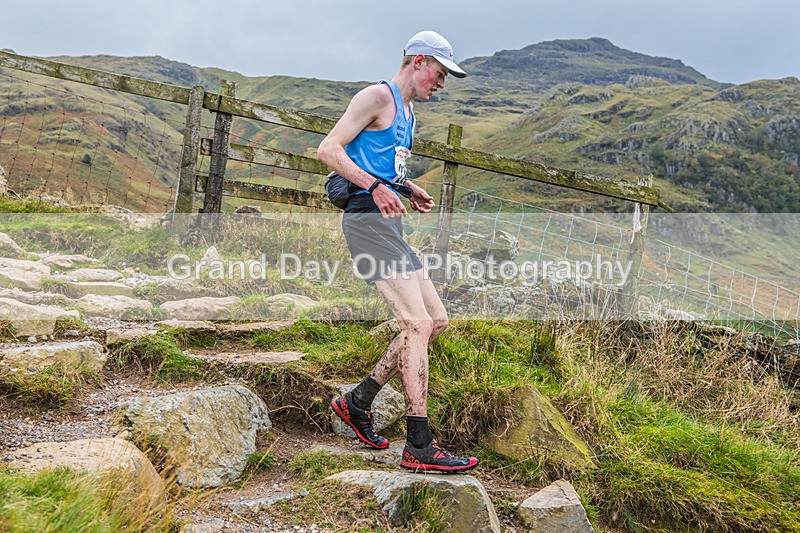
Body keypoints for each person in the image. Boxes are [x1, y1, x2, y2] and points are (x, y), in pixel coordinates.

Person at [317, 30, 478, 473]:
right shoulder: (377, 97)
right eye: (441, 73)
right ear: (419, 61)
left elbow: (381, 165)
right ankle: (419, 444)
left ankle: (359, 400)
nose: (442, 83)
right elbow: (328, 149)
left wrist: (407, 186)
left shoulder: (408, 113)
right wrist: (374, 187)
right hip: (367, 221)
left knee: (436, 322)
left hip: (388, 222)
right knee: (416, 323)